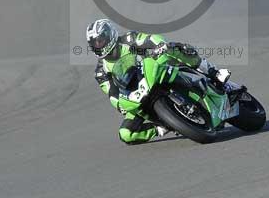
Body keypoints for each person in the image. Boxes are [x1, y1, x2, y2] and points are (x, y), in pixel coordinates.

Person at [87, 19, 232, 145]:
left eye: (101, 40)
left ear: (110, 34)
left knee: (174, 49)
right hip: (137, 92)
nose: (99, 45)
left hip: (154, 68)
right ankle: (162, 127)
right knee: (126, 134)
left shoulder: (128, 39)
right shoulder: (101, 71)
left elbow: (150, 39)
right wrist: (119, 105)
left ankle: (213, 72)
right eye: (95, 43)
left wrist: (159, 45)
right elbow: (112, 92)